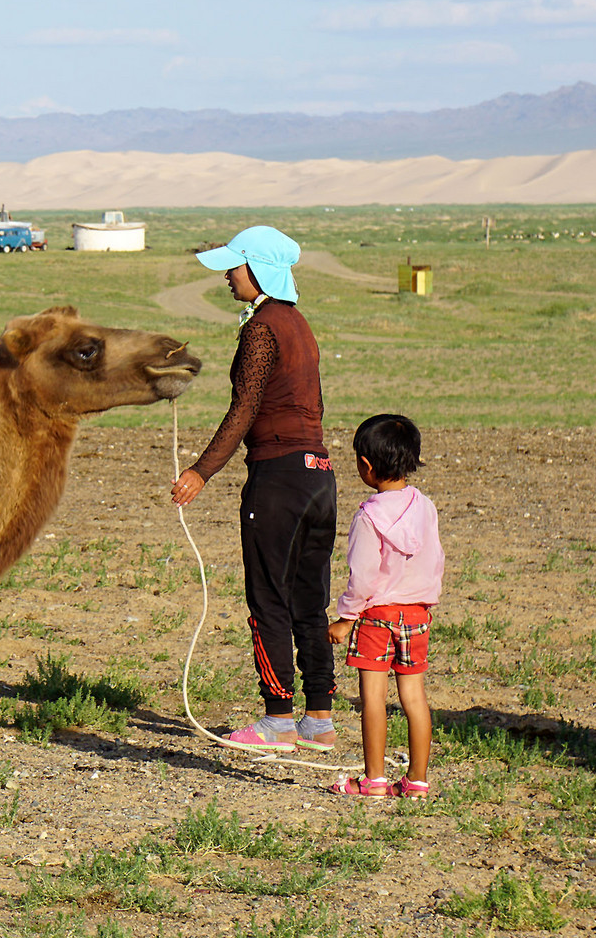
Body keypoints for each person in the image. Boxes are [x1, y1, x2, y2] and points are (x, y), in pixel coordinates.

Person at [169, 226, 337, 752]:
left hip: (279, 478)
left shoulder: (262, 328)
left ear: (259, 270)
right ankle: (320, 718)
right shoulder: (300, 325)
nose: (226, 275)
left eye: (233, 266)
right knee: (310, 598)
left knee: (269, 597)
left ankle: (278, 719)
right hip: (319, 475)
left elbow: (244, 408)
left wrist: (201, 471)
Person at [328, 414, 443, 798]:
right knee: (414, 698)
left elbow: (362, 577)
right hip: (417, 615)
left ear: (366, 465)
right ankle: (418, 781)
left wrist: (345, 619)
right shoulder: (426, 507)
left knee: (373, 698)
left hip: (376, 618)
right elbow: (435, 560)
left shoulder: (368, 516)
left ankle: (374, 779)